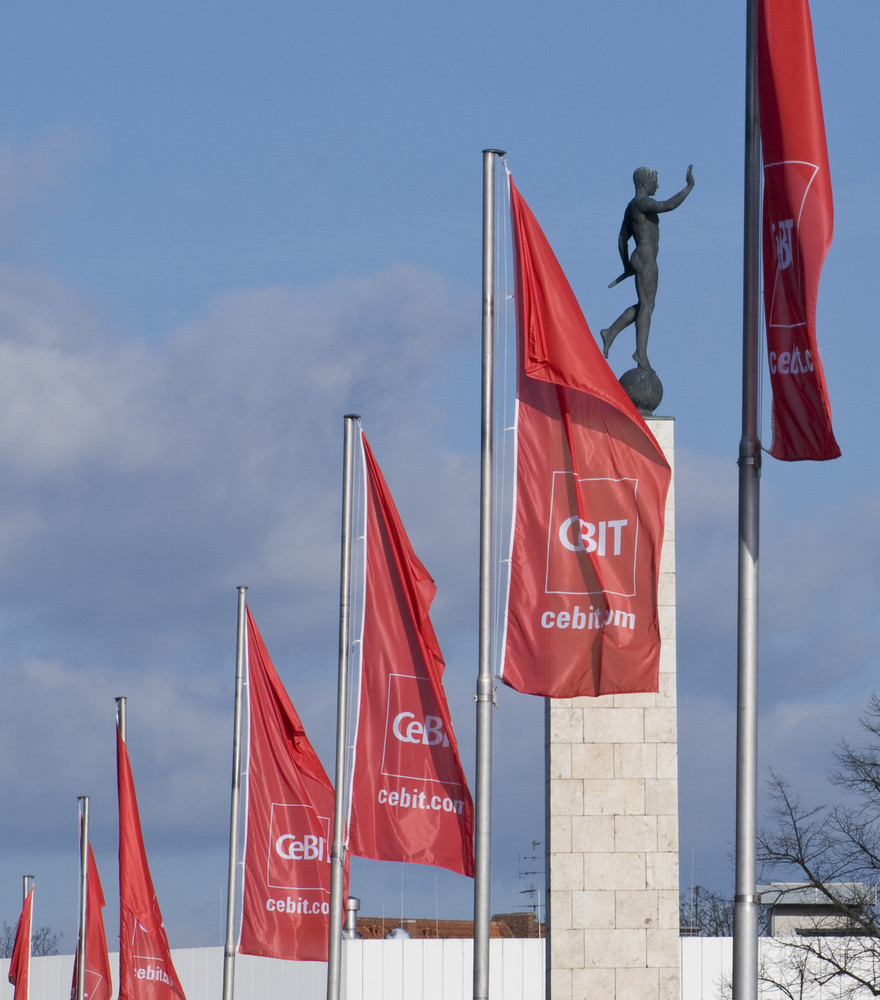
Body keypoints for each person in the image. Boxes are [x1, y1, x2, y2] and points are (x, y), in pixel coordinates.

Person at [601, 165, 694, 372]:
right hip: (646, 258)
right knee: (648, 307)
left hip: (641, 258)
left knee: (645, 305)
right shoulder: (642, 203)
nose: (657, 185)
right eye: (655, 182)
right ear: (645, 182)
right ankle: (640, 353)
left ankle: (611, 332)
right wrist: (689, 187)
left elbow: (622, 239)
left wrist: (627, 264)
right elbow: (669, 205)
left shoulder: (630, 207)